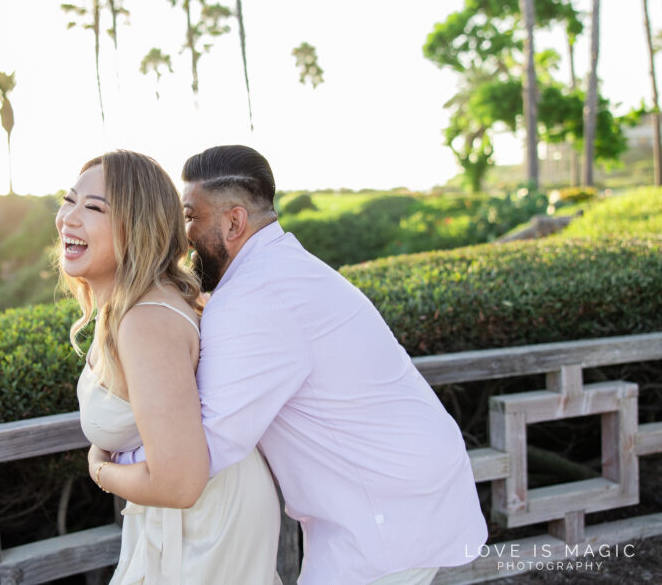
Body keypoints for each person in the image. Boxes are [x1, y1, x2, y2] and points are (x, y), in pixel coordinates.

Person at [106, 145, 489, 585]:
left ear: (234, 222)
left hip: (383, 506)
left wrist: (111, 461)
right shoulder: (280, 270)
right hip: (397, 485)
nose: (183, 233)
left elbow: (206, 447)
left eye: (191, 215)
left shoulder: (255, 298)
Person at [57, 150, 281, 584]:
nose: (69, 218)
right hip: (184, 518)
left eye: (94, 208)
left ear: (137, 225)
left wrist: (99, 470)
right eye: (69, 201)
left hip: (205, 527)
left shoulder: (146, 321)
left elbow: (179, 483)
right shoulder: (133, 307)